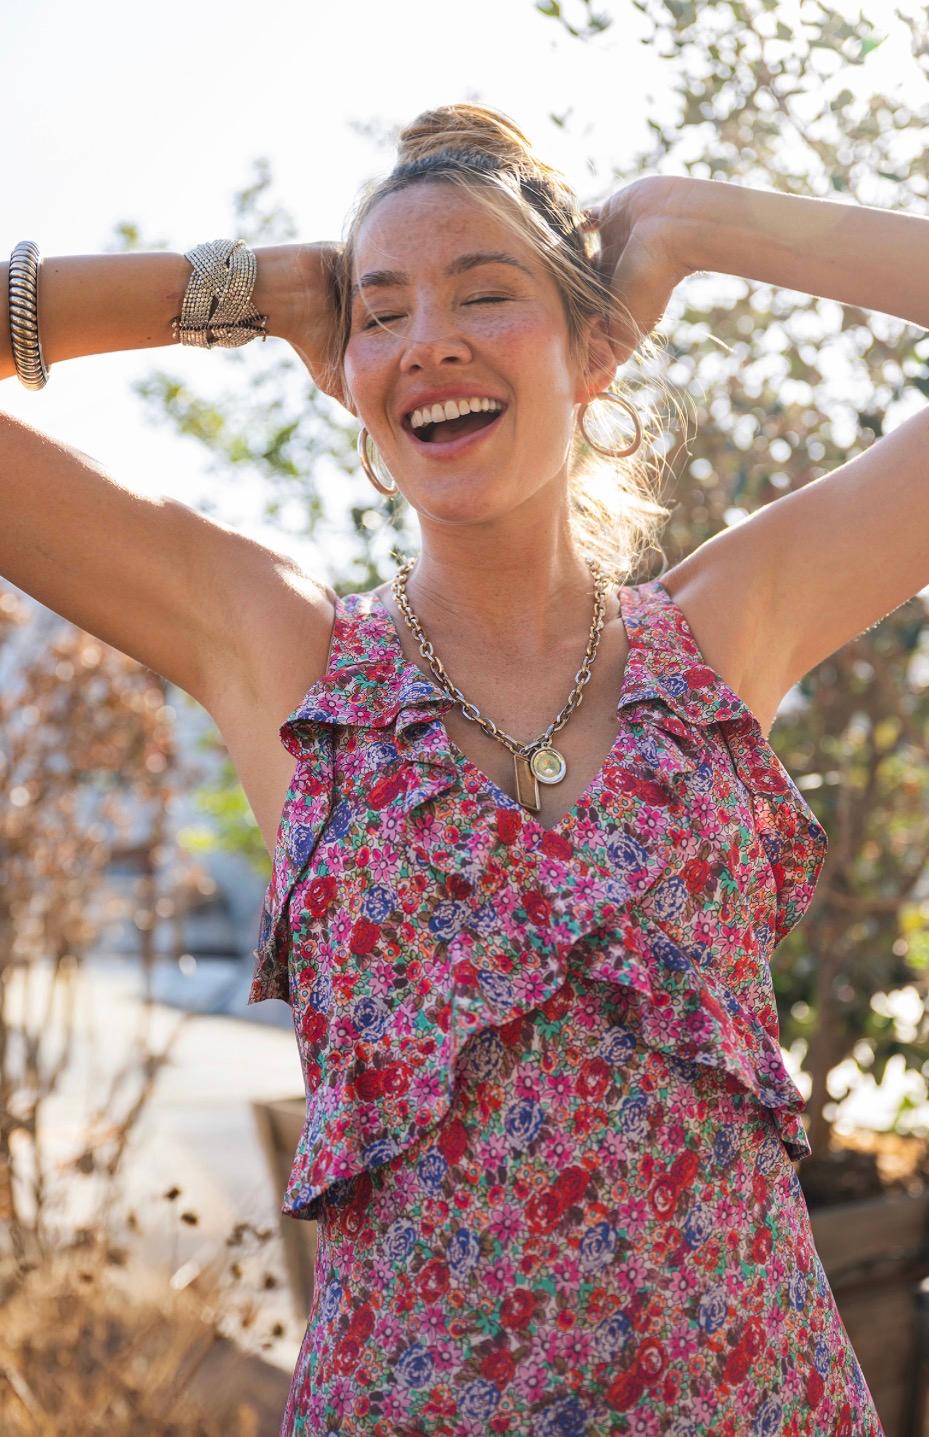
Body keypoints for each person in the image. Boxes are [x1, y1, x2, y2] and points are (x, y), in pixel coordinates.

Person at [10, 96, 928, 1433]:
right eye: (381, 312)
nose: (428, 340)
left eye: (486, 293)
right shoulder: (282, 654)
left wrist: (692, 222)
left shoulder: (726, 631)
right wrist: (252, 289)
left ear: (596, 345)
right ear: (348, 374)